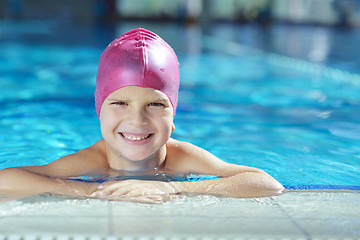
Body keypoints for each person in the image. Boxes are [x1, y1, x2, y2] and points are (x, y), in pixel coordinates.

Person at [0, 28, 285, 203]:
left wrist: (175, 191)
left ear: (173, 114)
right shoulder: (92, 160)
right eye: (120, 103)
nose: (137, 121)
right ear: (99, 110)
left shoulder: (181, 157)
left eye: (155, 104)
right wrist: (89, 191)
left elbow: (267, 183)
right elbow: (6, 180)